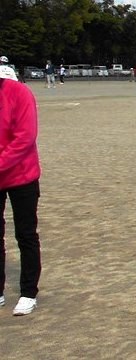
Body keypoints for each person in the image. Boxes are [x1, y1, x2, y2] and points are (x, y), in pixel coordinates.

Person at [0, 66, 42, 315]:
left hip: (22, 175)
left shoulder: (19, 93)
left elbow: (25, 138)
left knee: (25, 235)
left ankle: (28, 292)